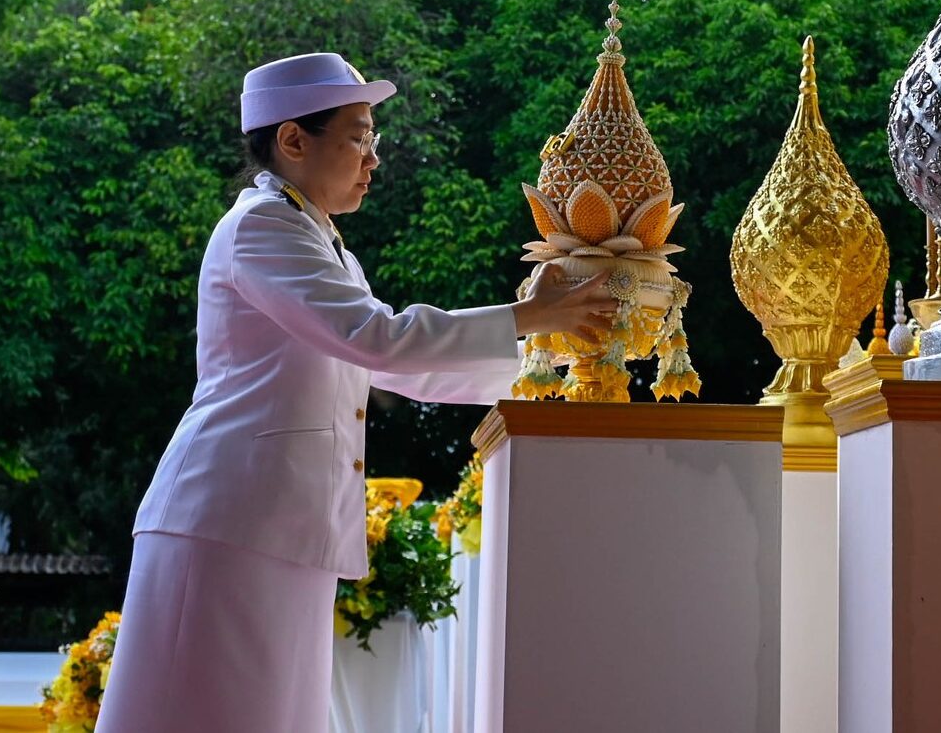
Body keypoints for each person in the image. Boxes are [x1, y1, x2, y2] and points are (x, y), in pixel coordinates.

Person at [95, 52, 613, 732]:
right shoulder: (262, 226)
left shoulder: (321, 242)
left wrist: (537, 372)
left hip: (275, 524)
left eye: (375, 139)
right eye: (360, 137)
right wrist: (528, 317)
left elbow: (391, 366)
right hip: (229, 521)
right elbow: (378, 338)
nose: (373, 159)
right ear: (292, 140)